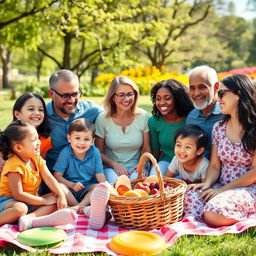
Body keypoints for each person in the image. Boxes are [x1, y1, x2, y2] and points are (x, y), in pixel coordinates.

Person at [186, 74, 256, 227]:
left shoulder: (254, 129)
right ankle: (215, 210)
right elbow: (214, 166)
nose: (218, 99)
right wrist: (207, 184)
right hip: (222, 185)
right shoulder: (219, 127)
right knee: (190, 196)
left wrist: (223, 191)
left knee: (213, 212)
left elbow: (254, 172)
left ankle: (243, 212)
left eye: (222, 93)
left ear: (239, 94)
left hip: (248, 188)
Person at [0, 121, 77, 232]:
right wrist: (44, 201)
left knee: (57, 199)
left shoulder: (36, 158)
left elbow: (50, 178)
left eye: (38, 138)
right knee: (21, 208)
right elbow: (18, 194)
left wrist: (61, 195)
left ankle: (30, 220)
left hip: (30, 200)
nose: (39, 142)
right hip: (8, 201)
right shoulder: (14, 165)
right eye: (34, 140)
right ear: (18, 148)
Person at [95, 76, 151, 184]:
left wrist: (142, 165)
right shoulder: (103, 119)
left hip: (136, 166)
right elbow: (98, 152)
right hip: (111, 168)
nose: (126, 99)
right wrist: (114, 165)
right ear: (113, 97)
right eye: (121, 95)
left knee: (136, 185)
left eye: (130, 94)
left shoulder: (143, 116)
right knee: (117, 185)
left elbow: (146, 148)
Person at [46, 69, 103, 170]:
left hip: (87, 176)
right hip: (56, 177)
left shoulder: (91, 110)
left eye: (75, 94)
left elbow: (114, 113)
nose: (71, 100)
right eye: (65, 96)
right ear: (51, 94)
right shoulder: (42, 116)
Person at [53, 118, 106, 213]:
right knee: (60, 187)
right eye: (77, 138)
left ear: (92, 141)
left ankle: (78, 207)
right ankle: (80, 207)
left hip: (87, 188)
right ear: (69, 138)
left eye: (86, 139)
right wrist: (72, 185)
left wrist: (105, 187)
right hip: (69, 189)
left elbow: (100, 175)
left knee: (99, 188)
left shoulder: (95, 152)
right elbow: (57, 176)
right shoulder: (65, 153)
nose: (81, 143)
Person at [148, 79, 194, 176]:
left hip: (189, 164)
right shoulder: (154, 121)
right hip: (167, 162)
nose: (162, 102)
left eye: (167, 98)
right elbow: (155, 151)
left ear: (177, 99)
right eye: (158, 98)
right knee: (154, 178)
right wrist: (152, 169)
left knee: (179, 184)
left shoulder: (190, 118)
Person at [186, 65, 224, 159]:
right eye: (192, 88)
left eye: (202, 87)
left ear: (216, 87)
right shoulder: (191, 117)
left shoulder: (227, 114)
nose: (196, 93)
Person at [12, 93, 52, 159]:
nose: (37, 113)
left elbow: (41, 165)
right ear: (17, 114)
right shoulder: (9, 137)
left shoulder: (45, 139)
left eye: (40, 110)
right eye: (31, 109)